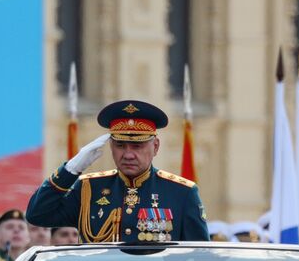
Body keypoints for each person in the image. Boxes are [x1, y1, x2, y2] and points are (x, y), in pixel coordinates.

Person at [28, 100, 208, 243]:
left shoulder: (182, 192)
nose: (128, 154)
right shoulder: (88, 188)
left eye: (137, 146)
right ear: (111, 146)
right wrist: (70, 170)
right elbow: (37, 214)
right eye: (120, 145)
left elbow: (199, 257)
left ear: (155, 146)